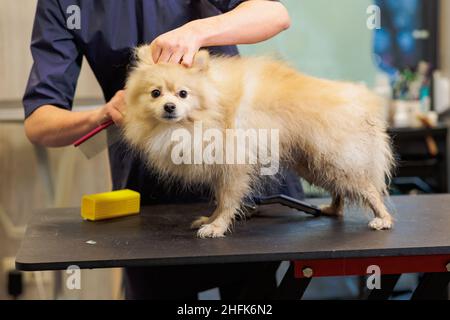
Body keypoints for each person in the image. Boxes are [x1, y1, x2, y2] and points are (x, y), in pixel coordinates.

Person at [24, 0, 303, 299]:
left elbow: (275, 15)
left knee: (251, 296)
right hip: (152, 198)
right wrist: (103, 114)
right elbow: (39, 122)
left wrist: (197, 32)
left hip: (240, 179)